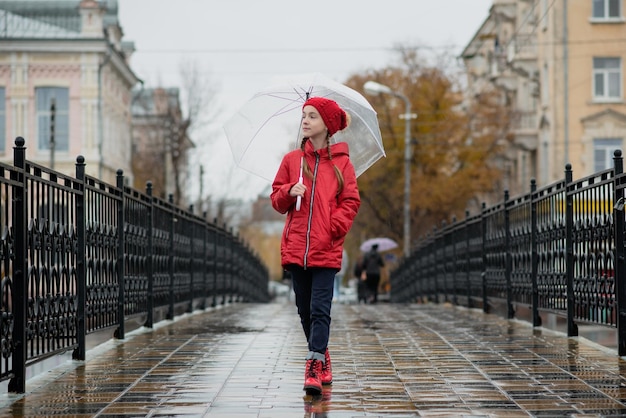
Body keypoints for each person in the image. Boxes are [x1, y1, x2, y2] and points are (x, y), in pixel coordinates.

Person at [271, 97, 360, 395]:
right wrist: (288, 190)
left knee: (321, 309)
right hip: (296, 247)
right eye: (304, 116)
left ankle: (313, 365)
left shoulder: (343, 164)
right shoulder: (292, 161)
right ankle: (322, 355)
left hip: (326, 248)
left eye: (312, 116)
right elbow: (275, 200)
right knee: (304, 310)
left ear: (327, 124)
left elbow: (350, 202)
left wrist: (334, 229)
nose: (305, 121)